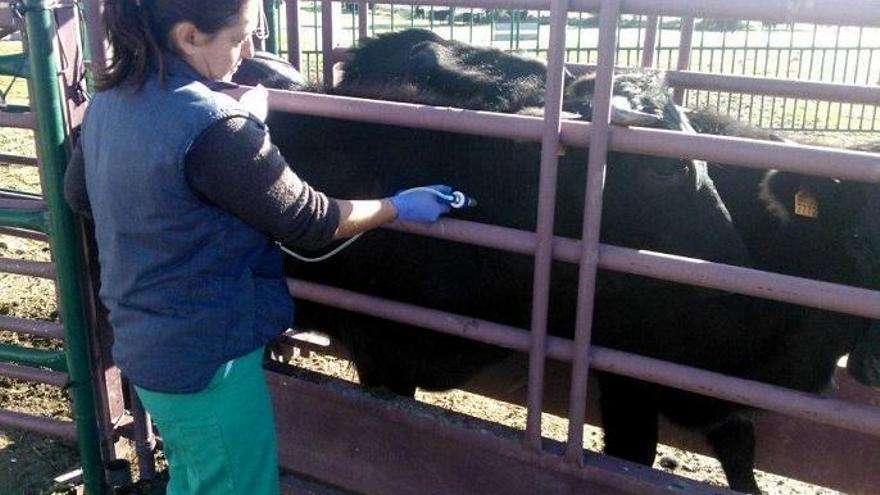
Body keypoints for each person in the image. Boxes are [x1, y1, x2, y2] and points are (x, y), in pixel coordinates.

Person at [63, 1, 454, 493]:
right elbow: (311, 220)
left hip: (146, 345)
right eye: (237, 37)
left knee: (193, 476)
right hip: (210, 359)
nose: (247, 51)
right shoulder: (214, 128)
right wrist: (397, 206)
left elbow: (79, 194)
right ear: (188, 37)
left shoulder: (112, 99)